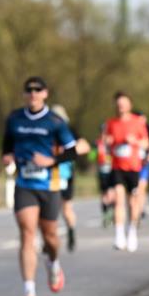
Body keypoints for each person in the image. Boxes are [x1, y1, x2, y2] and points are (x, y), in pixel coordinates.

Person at [2, 77, 78, 296]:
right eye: (29, 90)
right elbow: (6, 145)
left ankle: (53, 263)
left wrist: (52, 160)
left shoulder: (55, 122)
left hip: (49, 185)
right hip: (25, 184)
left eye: (37, 90)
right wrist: (7, 156)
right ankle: (29, 293)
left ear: (45, 93)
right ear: (24, 94)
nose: (33, 94)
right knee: (27, 233)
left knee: (51, 237)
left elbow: (72, 151)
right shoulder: (14, 118)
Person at [103, 91, 149, 252]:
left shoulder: (138, 122)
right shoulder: (111, 123)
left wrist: (134, 141)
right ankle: (119, 235)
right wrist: (108, 143)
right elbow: (105, 144)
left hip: (134, 167)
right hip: (117, 167)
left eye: (124, 103)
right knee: (119, 200)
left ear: (129, 105)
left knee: (133, 202)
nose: (121, 106)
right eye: (118, 103)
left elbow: (146, 143)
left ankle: (132, 232)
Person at [51, 105, 91, 252]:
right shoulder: (45, 130)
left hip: (65, 173)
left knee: (66, 208)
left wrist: (67, 153)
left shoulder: (68, 130)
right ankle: (49, 239)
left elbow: (85, 146)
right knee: (50, 209)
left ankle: (71, 230)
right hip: (49, 174)